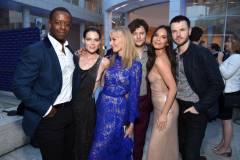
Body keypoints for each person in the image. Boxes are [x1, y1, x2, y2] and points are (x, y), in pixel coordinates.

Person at [13, 7, 75, 160]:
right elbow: (19, 86)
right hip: (49, 116)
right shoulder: (35, 50)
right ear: (50, 24)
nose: (62, 27)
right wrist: (45, 108)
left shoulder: (70, 51)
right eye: (58, 22)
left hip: (69, 114)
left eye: (66, 24)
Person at [170, 15, 224, 160]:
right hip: (178, 107)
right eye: (174, 31)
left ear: (189, 31)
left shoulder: (202, 53)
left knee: (190, 154)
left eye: (182, 30)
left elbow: (218, 84)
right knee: (181, 147)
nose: (178, 34)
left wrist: (199, 107)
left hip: (196, 108)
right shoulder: (172, 54)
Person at [88, 26, 142, 160]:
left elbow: (134, 96)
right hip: (102, 106)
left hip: (118, 110)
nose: (111, 43)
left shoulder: (135, 66)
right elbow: (97, 83)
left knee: (104, 147)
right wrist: (101, 69)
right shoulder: (109, 59)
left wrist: (131, 123)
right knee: (97, 142)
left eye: (114, 39)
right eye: (110, 39)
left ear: (124, 40)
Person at [71, 27, 109, 160]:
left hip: (90, 110)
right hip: (71, 107)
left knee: (85, 145)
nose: (92, 43)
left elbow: (106, 88)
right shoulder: (75, 57)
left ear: (100, 42)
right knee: (71, 144)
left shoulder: (104, 62)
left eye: (96, 40)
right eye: (89, 39)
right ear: (83, 40)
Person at [146, 25, 179, 160]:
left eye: (163, 37)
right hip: (160, 108)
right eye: (156, 35)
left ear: (168, 42)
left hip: (167, 110)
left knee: (155, 149)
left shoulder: (160, 60)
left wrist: (164, 114)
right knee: (166, 149)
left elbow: (173, 88)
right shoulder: (157, 56)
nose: (158, 39)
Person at [128, 18, 152, 160]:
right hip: (125, 101)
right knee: (123, 136)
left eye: (141, 33)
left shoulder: (152, 53)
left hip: (143, 101)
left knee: (140, 137)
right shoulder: (122, 52)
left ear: (146, 34)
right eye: (135, 33)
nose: (138, 36)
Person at [213, 36, 240, 157]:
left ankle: (227, 148)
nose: (225, 43)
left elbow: (226, 74)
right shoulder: (232, 56)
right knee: (224, 122)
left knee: (227, 122)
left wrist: (219, 60)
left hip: (230, 93)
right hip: (226, 92)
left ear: (235, 43)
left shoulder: (237, 57)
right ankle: (223, 143)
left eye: (228, 41)